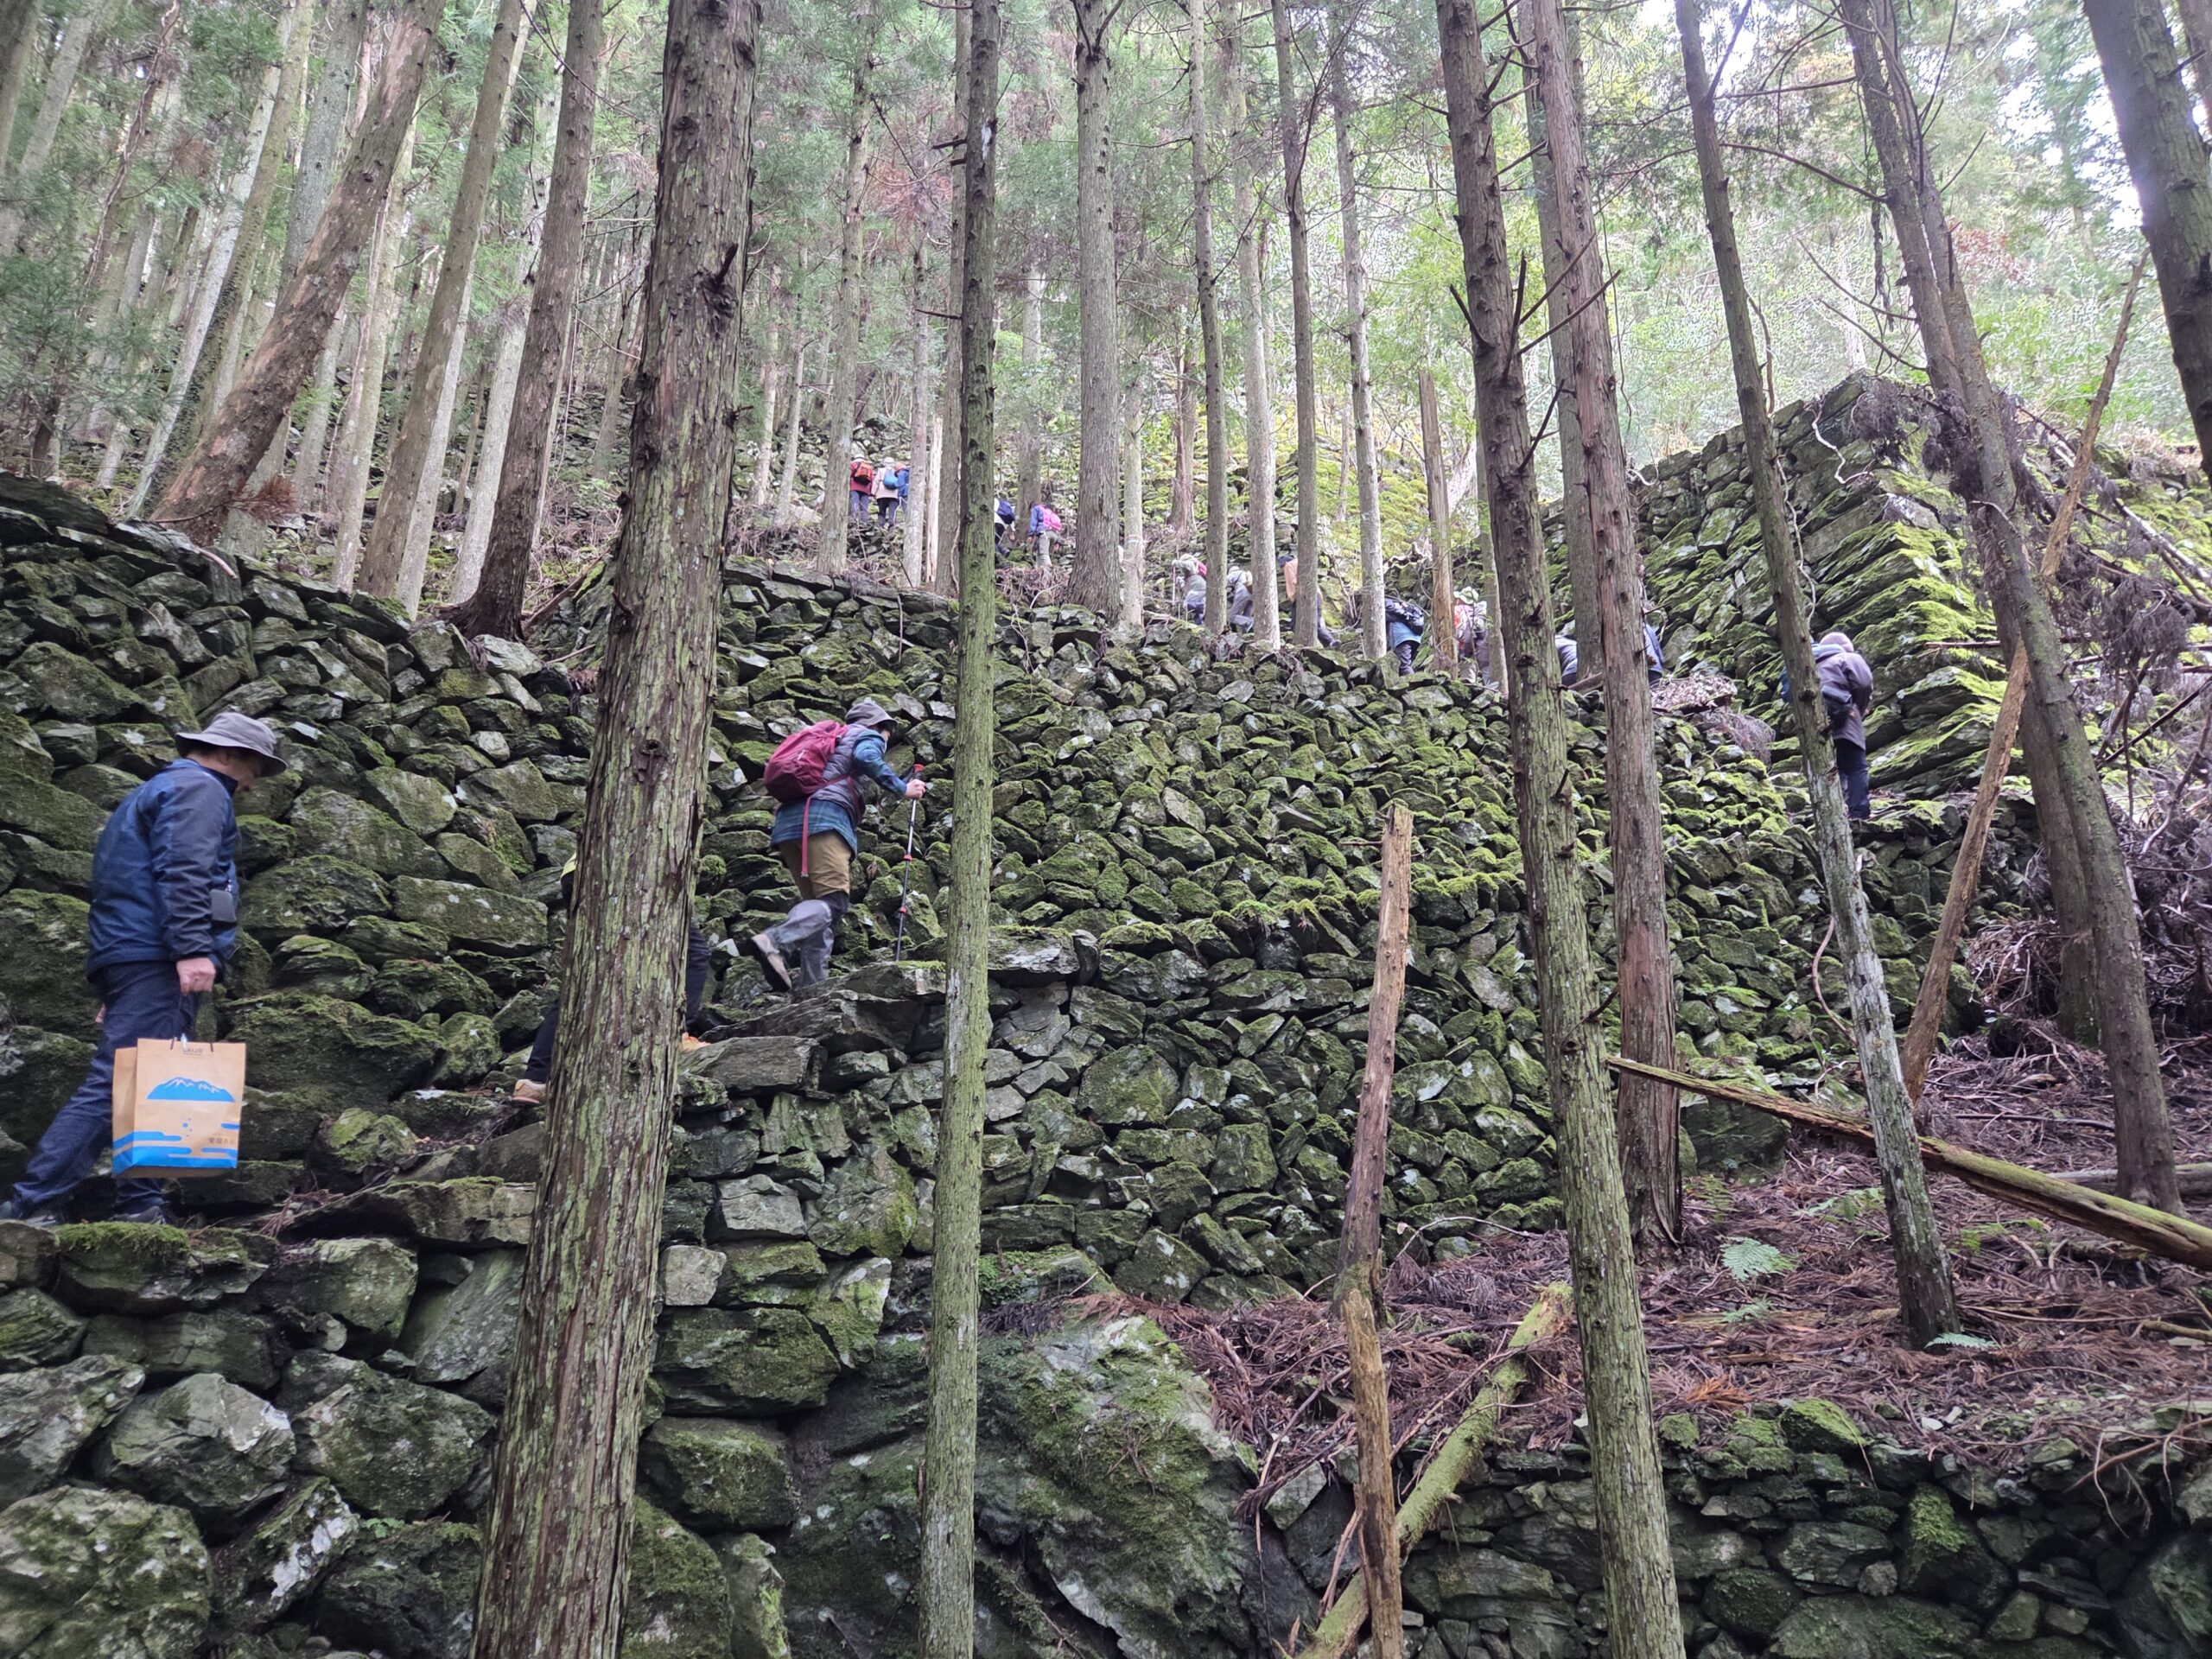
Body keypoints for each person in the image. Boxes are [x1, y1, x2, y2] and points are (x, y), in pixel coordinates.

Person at [0, 712, 283, 1227]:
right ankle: (31, 1205)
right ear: (232, 756)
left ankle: (139, 1205)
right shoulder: (201, 790)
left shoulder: (156, 791)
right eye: (256, 772)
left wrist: (120, 978)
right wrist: (192, 949)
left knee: (153, 1078)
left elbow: (126, 886)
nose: (251, 786)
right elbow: (184, 872)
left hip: (134, 954)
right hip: (159, 956)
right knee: (119, 1081)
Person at [750, 699, 927, 990]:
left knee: (817, 911)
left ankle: (811, 992)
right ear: (879, 726)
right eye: (887, 733)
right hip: (824, 820)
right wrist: (903, 788)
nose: (887, 740)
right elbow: (867, 758)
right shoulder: (866, 735)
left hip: (790, 826)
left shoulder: (832, 739)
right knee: (834, 902)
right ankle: (775, 941)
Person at [512, 859, 711, 1106]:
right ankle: (678, 1034)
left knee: (586, 979)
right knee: (693, 953)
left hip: (578, 871)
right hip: (634, 869)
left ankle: (534, 1081)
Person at [1814, 630, 1876, 820]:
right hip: (1845, 722)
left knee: (1829, 771)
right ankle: (1859, 815)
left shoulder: (1810, 665)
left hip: (1815, 727)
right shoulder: (1847, 657)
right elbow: (1864, 684)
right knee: (1856, 767)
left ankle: (1833, 816)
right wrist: (1859, 707)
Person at [1281, 556, 1338, 647]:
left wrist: (1293, 597)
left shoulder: (1288, 566)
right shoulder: (1301, 562)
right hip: (1316, 595)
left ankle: (1302, 646)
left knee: (1295, 624)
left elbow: (1293, 582)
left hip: (1301, 597)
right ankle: (1330, 642)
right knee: (1317, 622)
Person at [1382, 594, 1427, 674]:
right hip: (1415, 638)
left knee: (1405, 666)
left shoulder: (1387, 610)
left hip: (1402, 638)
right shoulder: (1404, 609)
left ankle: (1414, 684)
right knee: (1406, 663)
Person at [873, 460, 901, 527]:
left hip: (882, 493)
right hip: (893, 493)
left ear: (884, 463)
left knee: (882, 510)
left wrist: (873, 493)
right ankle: (892, 523)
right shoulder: (896, 471)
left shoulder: (881, 470)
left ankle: (881, 524)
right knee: (893, 510)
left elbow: (876, 482)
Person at [849, 455, 876, 522]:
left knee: (855, 503)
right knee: (864, 506)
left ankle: (855, 520)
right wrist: (872, 491)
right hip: (866, 489)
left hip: (854, 487)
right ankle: (865, 521)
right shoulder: (868, 466)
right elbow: (872, 479)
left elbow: (849, 475)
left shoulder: (853, 464)